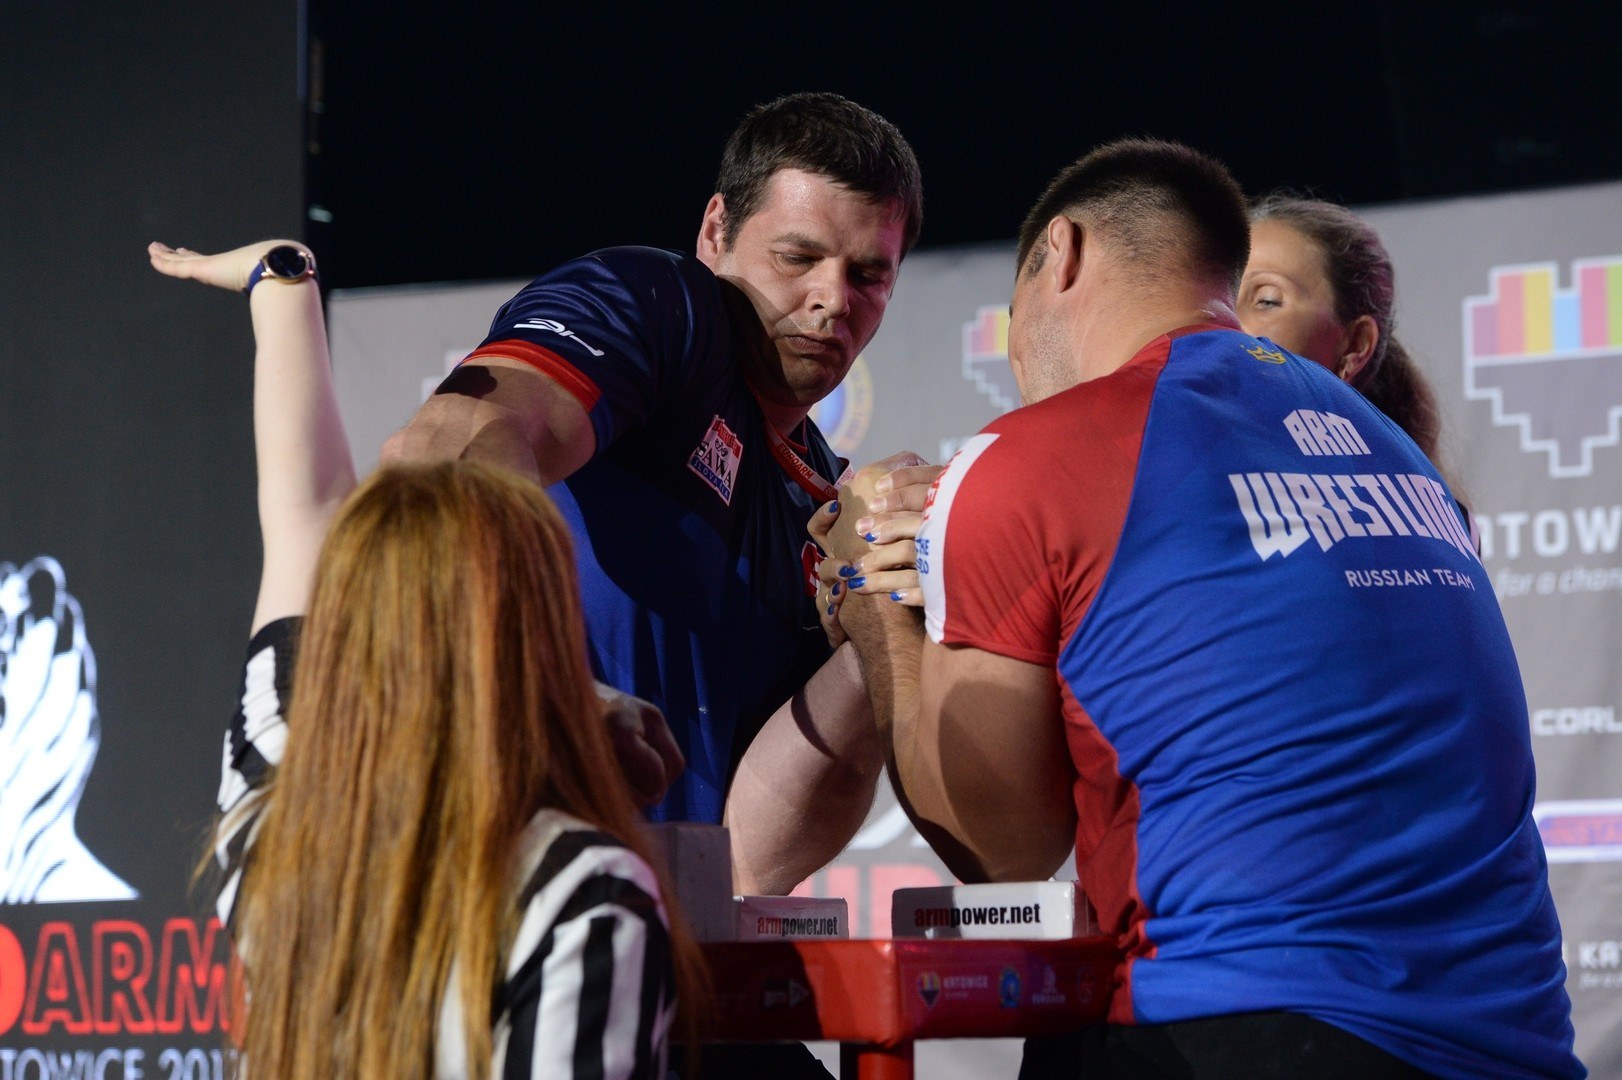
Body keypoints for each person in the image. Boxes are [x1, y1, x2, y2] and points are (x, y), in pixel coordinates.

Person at [820, 140, 1583, 1079]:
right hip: (1518, 1044)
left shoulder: (1032, 450)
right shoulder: (1395, 450)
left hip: (1237, 1026)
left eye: (1011, 317)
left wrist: (868, 596)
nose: (1018, 359)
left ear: (1060, 254)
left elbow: (1001, 851)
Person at [152, 240, 702, 1079]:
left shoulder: (271, 823)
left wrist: (279, 287)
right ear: (539, 634)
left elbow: (303, 512)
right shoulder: (581, 897)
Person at [381, 92, 925, 895]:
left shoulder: (827, 508)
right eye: (797, 257)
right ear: (715, 233)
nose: (832, 299)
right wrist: (552, 700)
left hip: (682, 945)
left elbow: (752, 856)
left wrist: (875, 633)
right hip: (490, 906)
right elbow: (440, 461)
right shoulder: (658, 305)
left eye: (869, 274)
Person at [1240, 193, 1445, 465]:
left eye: (1267, 300)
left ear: (1354, 345)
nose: (1222, 319)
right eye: (1216, 298)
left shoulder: (1397, 502)